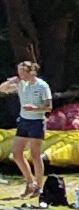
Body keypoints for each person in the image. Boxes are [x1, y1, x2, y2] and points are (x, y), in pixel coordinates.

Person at [11, 58, 51, 202]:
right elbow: (2, 89)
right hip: (23, 121)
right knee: (16, 154)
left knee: (35, 155)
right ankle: (29, 182)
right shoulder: (22, 84)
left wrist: (35, 109)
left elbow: (48, 107)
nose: (19, 74)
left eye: (21, 72)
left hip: (37, 121)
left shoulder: (42, 85)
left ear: (29, 72)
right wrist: (10, 82)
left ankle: (38, 186)